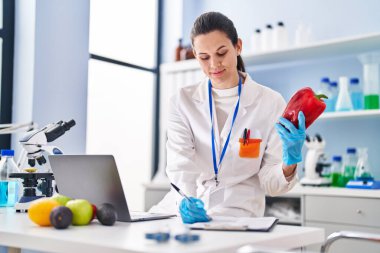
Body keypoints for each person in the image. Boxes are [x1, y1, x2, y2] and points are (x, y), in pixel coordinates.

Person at [150, 12, 306, 224]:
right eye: (204, 57)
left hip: (239, 211)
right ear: (195, 55)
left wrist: (289, 164)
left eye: (221, 53)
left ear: (238, 47)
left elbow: (272, 184)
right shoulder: (182, 102)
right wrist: (186, 202)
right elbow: (181, 166)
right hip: (187, 205)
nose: (214, 64)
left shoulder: (270, 103)